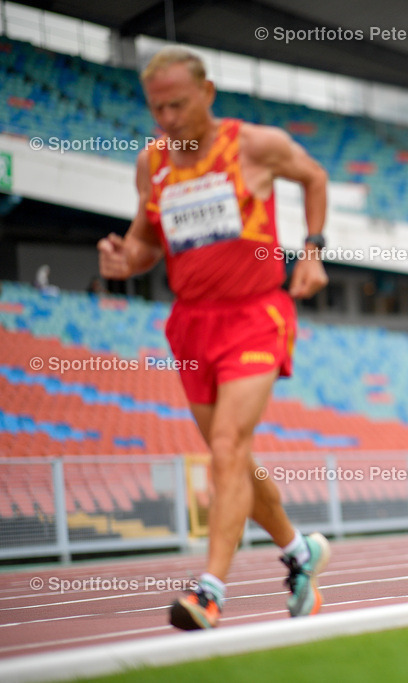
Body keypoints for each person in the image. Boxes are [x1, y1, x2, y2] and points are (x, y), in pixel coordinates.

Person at [97, 46, 331, 630]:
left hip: (255, 313)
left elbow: (314, 176)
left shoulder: (255, 144)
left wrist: (313, 250)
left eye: (178, 104)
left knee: (227, 444)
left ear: (207, 93)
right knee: (232, 456)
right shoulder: (152, 163)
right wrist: (126, 261)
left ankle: (209, 590)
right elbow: (147, 241)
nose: (169, 118)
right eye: (158, 108)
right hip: (191, 322)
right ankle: (300, 553)